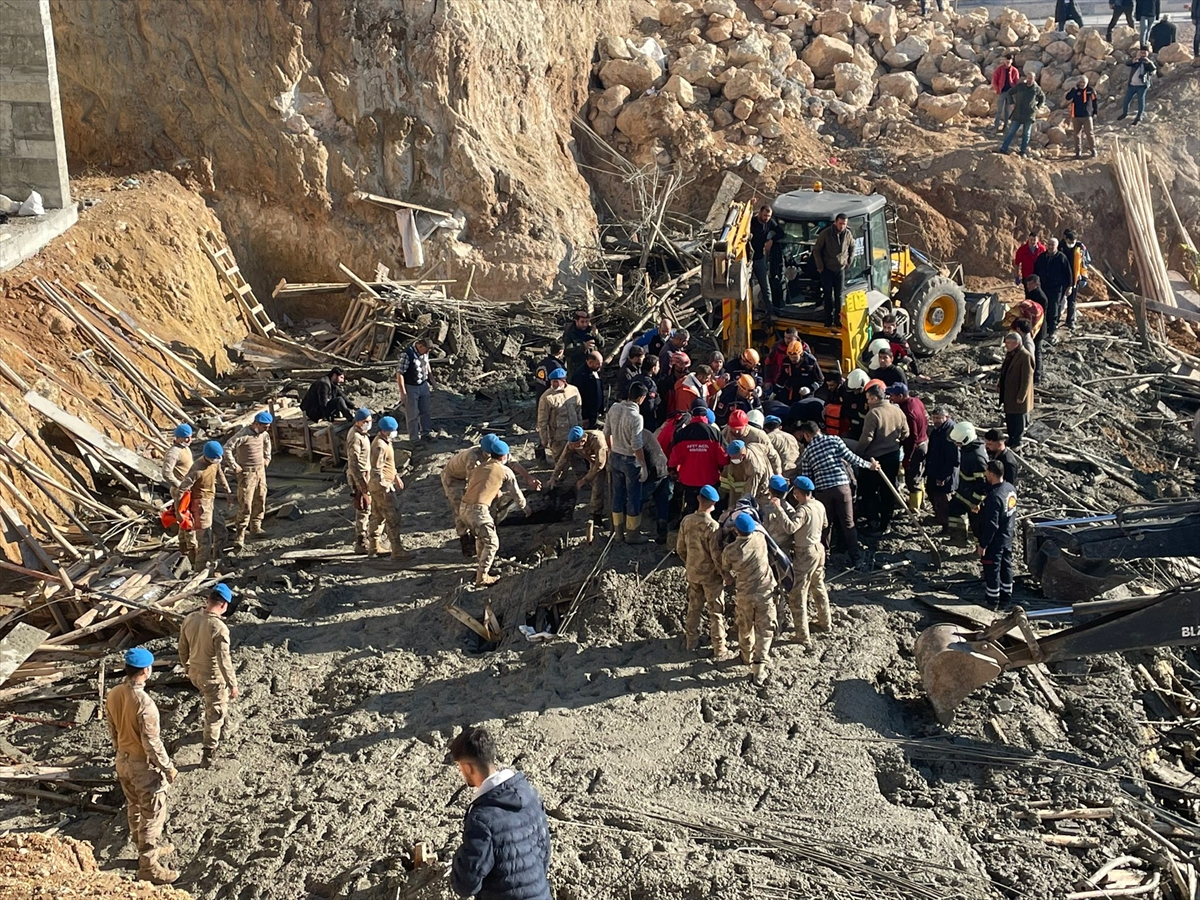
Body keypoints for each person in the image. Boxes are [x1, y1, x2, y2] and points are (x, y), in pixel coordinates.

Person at [448, 725, 552, 900]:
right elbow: (544, 853)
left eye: (459, 767)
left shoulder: (482, 820)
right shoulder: (530, 794)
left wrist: (459, 858)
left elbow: (466, 885)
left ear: (468, 768)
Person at [106, 647, 179, 885]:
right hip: (142, 767)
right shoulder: (145, 704)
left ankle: (144, 848)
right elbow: (152, 743)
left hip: (122, 760)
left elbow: (112, 729)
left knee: (134, 806)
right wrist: (167, 767)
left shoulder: (114, 693)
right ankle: (148, 865)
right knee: (152, 814)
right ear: (146, 671)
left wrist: (121, 750)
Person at [795, 421, 880, 570]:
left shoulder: (808, 452)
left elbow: (808, 478)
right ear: (819, 430)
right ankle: (856, 559)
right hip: (842, 487)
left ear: (807, 435)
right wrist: (869, 466)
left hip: (823, 492)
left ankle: (824, 559)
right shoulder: (834, 440)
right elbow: (851, 458)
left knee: (826, 525)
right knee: (848, 523)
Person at [178, 583, 238, 767]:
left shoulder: (190, 618)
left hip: (194, 673)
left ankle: (224, 727)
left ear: (208, 600)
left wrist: (186, 667)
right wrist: (233, 684)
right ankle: (208, 754)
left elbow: (182, 648)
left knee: (217, 703)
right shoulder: (219, 628)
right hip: (212, 677)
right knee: (214, 714)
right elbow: (223, 660)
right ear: (224, 605)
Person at [721, 512, 778, 684]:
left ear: (736, 531)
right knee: (765, 629)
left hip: (744, 594)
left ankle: (746, 656)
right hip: (765, 592)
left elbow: (725, 568)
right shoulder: (760, 539)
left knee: (745, 626)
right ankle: (759, 666)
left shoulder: (731, 551)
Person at [677, 485, 731, 659]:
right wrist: (725, 574)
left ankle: (690, 642)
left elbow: (680, 548)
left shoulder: (687, 521)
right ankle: (719, 648)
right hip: (711, 576)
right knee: (716, 612)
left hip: (693, 572)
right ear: (714, 504)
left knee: (694, 607)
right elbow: (716, 555)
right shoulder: (713, 527)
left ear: (699, 499)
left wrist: (690, 563)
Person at [462, 440, 521, 587]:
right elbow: (516, 493)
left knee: (481, 537)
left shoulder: (481, 467)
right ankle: (482, 577)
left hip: (464, 508)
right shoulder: (505, 471)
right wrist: (525, 507)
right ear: (504, 457)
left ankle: (481, 565)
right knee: (492, 543)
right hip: (478, 511)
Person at [854, 384, 910, 534]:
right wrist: (894, 441)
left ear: (874, 398)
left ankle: (873, 521)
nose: (867, 402)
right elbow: (906, 433)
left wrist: (858, 454)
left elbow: (867, 438)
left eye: (868, 398)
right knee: (888, 490)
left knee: (869, 490)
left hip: (875, 458)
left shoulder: (873, 414)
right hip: (893, 455)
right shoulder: (897, 410)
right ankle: (886, 522)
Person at [604, 384, 649, 544]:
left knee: (617, 494)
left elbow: (606, 433)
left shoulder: (614, 408)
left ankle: (618, 532)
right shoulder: (636, 417)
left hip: (615, 456)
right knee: (633, 496)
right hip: (630, 460)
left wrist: (612, 449)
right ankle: (632, 534)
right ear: (641, 398)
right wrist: (643, 465)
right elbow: (636, 445)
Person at [787, 476, 830, 647]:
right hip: (819, 549)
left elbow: (790, 528)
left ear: (798, 492)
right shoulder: (819, 505)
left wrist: (780, 511)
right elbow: (825, 524)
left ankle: (802, 635)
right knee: (818, 586)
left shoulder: (802, 511)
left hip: (805, 553)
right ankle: (825, 621)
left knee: (798, 594)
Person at [668, 406, 729, 517]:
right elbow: (724, 459)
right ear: (706, 416)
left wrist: (672, 470)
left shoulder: (682, 433)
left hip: (688, 481)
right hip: (710, 479)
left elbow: (674, 459)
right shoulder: (715, 433)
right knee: (709, 510)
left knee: (690, 508)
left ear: (692, 415)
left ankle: (689, 523)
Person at [176, 441, 227, 568]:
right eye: (215, 458)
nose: (217, 460)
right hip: (200, 506)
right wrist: (179, 512)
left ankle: (218, 560)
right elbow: (181, 490)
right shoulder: (197, 470)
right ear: (207, 456)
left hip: (211, 502)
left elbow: (219, 473)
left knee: (222, 532)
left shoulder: (215, 463)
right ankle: (200, 568)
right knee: (205, 541)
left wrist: (227, 490)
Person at [225, 411, 273, 547]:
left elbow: (267, 443)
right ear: (256, 424)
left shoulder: (264, 434)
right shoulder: (243, 434)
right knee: (245, 503)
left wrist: (267, 458)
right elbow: (227, 448)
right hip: (247, 473)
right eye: (264, 426)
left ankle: (256, 526)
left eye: (268, 426)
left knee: (260, 498)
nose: (266, 429)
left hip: (260, 471)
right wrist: (234, 465)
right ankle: (240, 534)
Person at [549, 426, 609, 527]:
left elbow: (600, 464)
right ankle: (596, 515)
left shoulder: (597, 440)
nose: (574, 447)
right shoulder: (572, 443)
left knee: (612, 487)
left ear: (583, 440)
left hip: (608, 460)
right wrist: (554, 476)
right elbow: (563, 460)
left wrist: (585, 479)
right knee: (597, 488)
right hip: (594, 461)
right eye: (572, 445)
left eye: (576, 444)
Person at [366, 416, 408, 560]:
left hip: (381, 486)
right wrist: (385, 487)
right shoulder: (380, 446)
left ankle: (374, 547)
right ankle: (397, 550)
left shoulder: (386, 442)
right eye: (392, 430)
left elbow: (389, 463)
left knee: (377, 516)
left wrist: (395, 476)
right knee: (393, 518)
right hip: (382, 488)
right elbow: (376, 470)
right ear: (384, 431)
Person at [978, 460, 1018, 607]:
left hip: (995, 541)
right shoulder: (1010, 488)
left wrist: (983, 545)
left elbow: (991, 525)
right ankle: (1006, 597)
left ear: (992, 474)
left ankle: (992, 600)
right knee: (1006, 565)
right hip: (1007, 535)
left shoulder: (994, 497)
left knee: (992, 569)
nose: (985, 474)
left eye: (987, 471)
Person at [889, 383, 929, 508]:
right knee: (919, 474)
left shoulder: (908, 412)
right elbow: (926, 420)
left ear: (900, 396)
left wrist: (908, 457)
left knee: (912, 478)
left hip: (916, 447)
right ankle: (921, 502)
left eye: (893, 395)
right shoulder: (916, 401)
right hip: (924, 441)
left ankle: (914, 508)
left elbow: (913, 437)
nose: (890, 398)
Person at [949, 421, 989, 542]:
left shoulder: (977, 458)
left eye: (958, 442)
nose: (956, 445)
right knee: (954, 510)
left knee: (976, 524)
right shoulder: (969, 449)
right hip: (964, 491)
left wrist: (976, 501)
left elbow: (982, 483)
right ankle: (958, 538)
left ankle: (978, 547)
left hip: (973, 496)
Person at [813, 213, 853, 327]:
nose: (842, 226)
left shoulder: (848, 234)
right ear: (835, 222)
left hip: (840, 269)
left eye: (844, 224)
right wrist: (819, 265)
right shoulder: (825, 233)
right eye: (840, 223)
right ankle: (828, 318)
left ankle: (838, 319)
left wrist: (849, 259)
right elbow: (816, 249)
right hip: (827, 269)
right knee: (828, 294)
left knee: (839, 295)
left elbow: (852, 246)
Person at [163, 424, 195, 557]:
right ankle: (191, 548)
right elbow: (166, 472)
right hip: (181, 491)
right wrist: (179, 485)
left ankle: (184, 546)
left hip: (188, 489)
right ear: (178, 438)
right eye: (186, 438)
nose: (189, 440)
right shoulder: (174, 452)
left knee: (184, 518)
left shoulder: (185, 448)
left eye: (190, 437)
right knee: (186, 519)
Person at [396, 338, 436, 443]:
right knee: (412, 414)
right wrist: (403, 392)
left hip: (423, 385)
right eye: (426, 350)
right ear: (420, 346)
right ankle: (414, 439)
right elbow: (400, 373)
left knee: (425, 411)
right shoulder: (407, 354)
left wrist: (432, 380)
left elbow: (427, 364)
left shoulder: (425, 353)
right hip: (411, 387)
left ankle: (426, 433)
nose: (426, 353)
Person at [537, 368, 581, 463]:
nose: (553, 384)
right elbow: (542, 420)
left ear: (563, 381)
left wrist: (580, 428)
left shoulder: (573, 390)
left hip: (574, 434)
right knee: (561, 462)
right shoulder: (546, 397)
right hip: (558, 437)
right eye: (552, 381)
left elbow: (578, 410)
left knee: (578, 460)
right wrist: (544, 438)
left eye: (556, 381)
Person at [998, 332, 1034, 449]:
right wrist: (1000, 384)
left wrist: (1021, 395)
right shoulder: (1011, 354)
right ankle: (1011, 438)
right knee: (1010, 416)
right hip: (1009, 392)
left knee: (1018, 418)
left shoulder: (1025, 356)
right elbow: (1005, 371)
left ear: (1016, 343)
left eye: (1009, 343)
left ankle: (1017, 440)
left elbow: (1027, 379)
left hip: (1018, 392)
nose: (1006, 345)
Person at [926, 407, 959, 530]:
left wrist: (943, 477)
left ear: (946, 417)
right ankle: (939, 517)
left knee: (942, 500)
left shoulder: (951, 433)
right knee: (932, 493)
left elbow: (953, 460)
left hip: (944, 474)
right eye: (934, 418)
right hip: (934, 470)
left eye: (939, 418)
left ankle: (946, 525)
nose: (936, 420)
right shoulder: (937, 430)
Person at [345, 408, 373, 553]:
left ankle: (367, 535)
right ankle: (361, 540)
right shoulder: (355, 437)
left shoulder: (362, 434)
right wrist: (361, 484)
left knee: (367, 507)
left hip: (365, 473)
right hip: (360, 476)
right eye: (366, 421)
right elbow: (354, 463)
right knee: (363, 506)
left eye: (370, 421)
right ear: (358, 422)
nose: (368, 424)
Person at [1033, 238, 1072, 341]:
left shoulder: (1062, 258)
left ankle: (1052, 330)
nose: (1050, 247)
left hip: (1056, 288)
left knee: (1053, 308)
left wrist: (1069, 286)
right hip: (1043, 287)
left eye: (1052, 245)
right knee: (1042, 307)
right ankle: (1042, 329)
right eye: (1049, 244)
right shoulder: (1042, 257)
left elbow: (1068, 273)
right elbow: (1036, 271)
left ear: (1056, 246)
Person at [999, 71, 1044, 157]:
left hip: (1029, 114)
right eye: (1028, 78)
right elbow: (1009, 93)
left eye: (1031, 78)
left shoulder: (1036, 89)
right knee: (1011, 132)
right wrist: (1011, 103)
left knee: (1026, 134)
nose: (1029, 80)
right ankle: (1003, 149)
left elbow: (1042, 98)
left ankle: (1023, 151)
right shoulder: (1020, 86)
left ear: (1034, 79)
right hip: (1018, 113)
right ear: (1026, 78)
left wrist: (1037, 107)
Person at [720, 439, 773, 507]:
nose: (732, 459)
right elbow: (772, 452)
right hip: (740, 490)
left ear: (743, 455)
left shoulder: (754, 468)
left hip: (760, 493)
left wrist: (742, 506)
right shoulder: (753, 446)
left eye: (734, 458)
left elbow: (750, 493)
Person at [750, 205, 780, 310]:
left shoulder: (770, 223)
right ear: (760, 213)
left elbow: (781, 233)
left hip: (759, 258)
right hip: (747, 259)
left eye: (768, 216)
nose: (766, 218)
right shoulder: (752, 222)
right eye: (764, 215)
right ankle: (751, 310)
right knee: (747, 287)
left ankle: (770, 310)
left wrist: (771, 240)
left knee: (765, 286)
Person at [1119, 46, 1156, 125]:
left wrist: (1148, 62)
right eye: (1141, 52)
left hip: (1142, 86)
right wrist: (1134, 60)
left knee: (1140, 101)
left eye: (1144, 53)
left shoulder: (1147, 63)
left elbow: (1153, 68)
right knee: (1126, 100)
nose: (1142, 54)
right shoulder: (1136, 61)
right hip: (1132, 85)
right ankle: (1125, 113)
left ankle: (1139, 116)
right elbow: (1127, 63)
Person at [562, 308, 603, 376]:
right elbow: (567, 351)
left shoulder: (591, 330)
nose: (585, 324)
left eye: (587, 321)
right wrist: (583, 347)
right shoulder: (569, 332)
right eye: (582, 322)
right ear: (576, 321)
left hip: (591, 367)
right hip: (576, 369)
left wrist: (597, 335)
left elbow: (601, 344)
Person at [1064, 77, 1097, 159]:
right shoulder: (1075, 90)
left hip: (1087, 115)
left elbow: (1095, 102)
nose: (1082, 84)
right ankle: (1078, 152)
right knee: (1077, 134)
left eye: (1084, 82)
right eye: (1081, 82)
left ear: (1087, 82)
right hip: (1076, 116)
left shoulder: (1090, 90)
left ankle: (1093, 150)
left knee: (1090, 133)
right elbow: (1067, 97)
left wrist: (1095, 113)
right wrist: (1074, 89)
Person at [1061, 229, 1088, 330]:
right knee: (1059, 300)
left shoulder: (1080, 248)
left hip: (1074, 277)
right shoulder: (1061, 246)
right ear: (1066, 239)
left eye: (1073, 242)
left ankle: (1070, 321)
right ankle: (1056, 320)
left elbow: (1084, 263)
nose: (1071, 244)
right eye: (1070, 241)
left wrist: (1084, 277)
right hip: (1062, 276)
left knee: (1072, 300)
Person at [571, 350, 604, 429]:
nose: (600, 366)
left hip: (594, 413)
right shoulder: (580, 376)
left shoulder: (595, 371)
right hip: (586, 417)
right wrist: (584, 416)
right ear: (590, 362)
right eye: (598, 364)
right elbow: (579, 397)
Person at [992, 53, 1020, 132]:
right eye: (1006, 61)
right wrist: (997, 89)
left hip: (1010, 93)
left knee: (1007, 110)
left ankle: (1006, 126)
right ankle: (996, 126)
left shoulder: (1014, 70)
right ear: (1004, 60)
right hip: (1002, 91)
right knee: (999, 110)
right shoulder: (999, 69)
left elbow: (1016, 81)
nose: (1007, 63)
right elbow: (994, 80)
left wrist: (1014, 91)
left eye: (1009, 61)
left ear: (1011, 61)